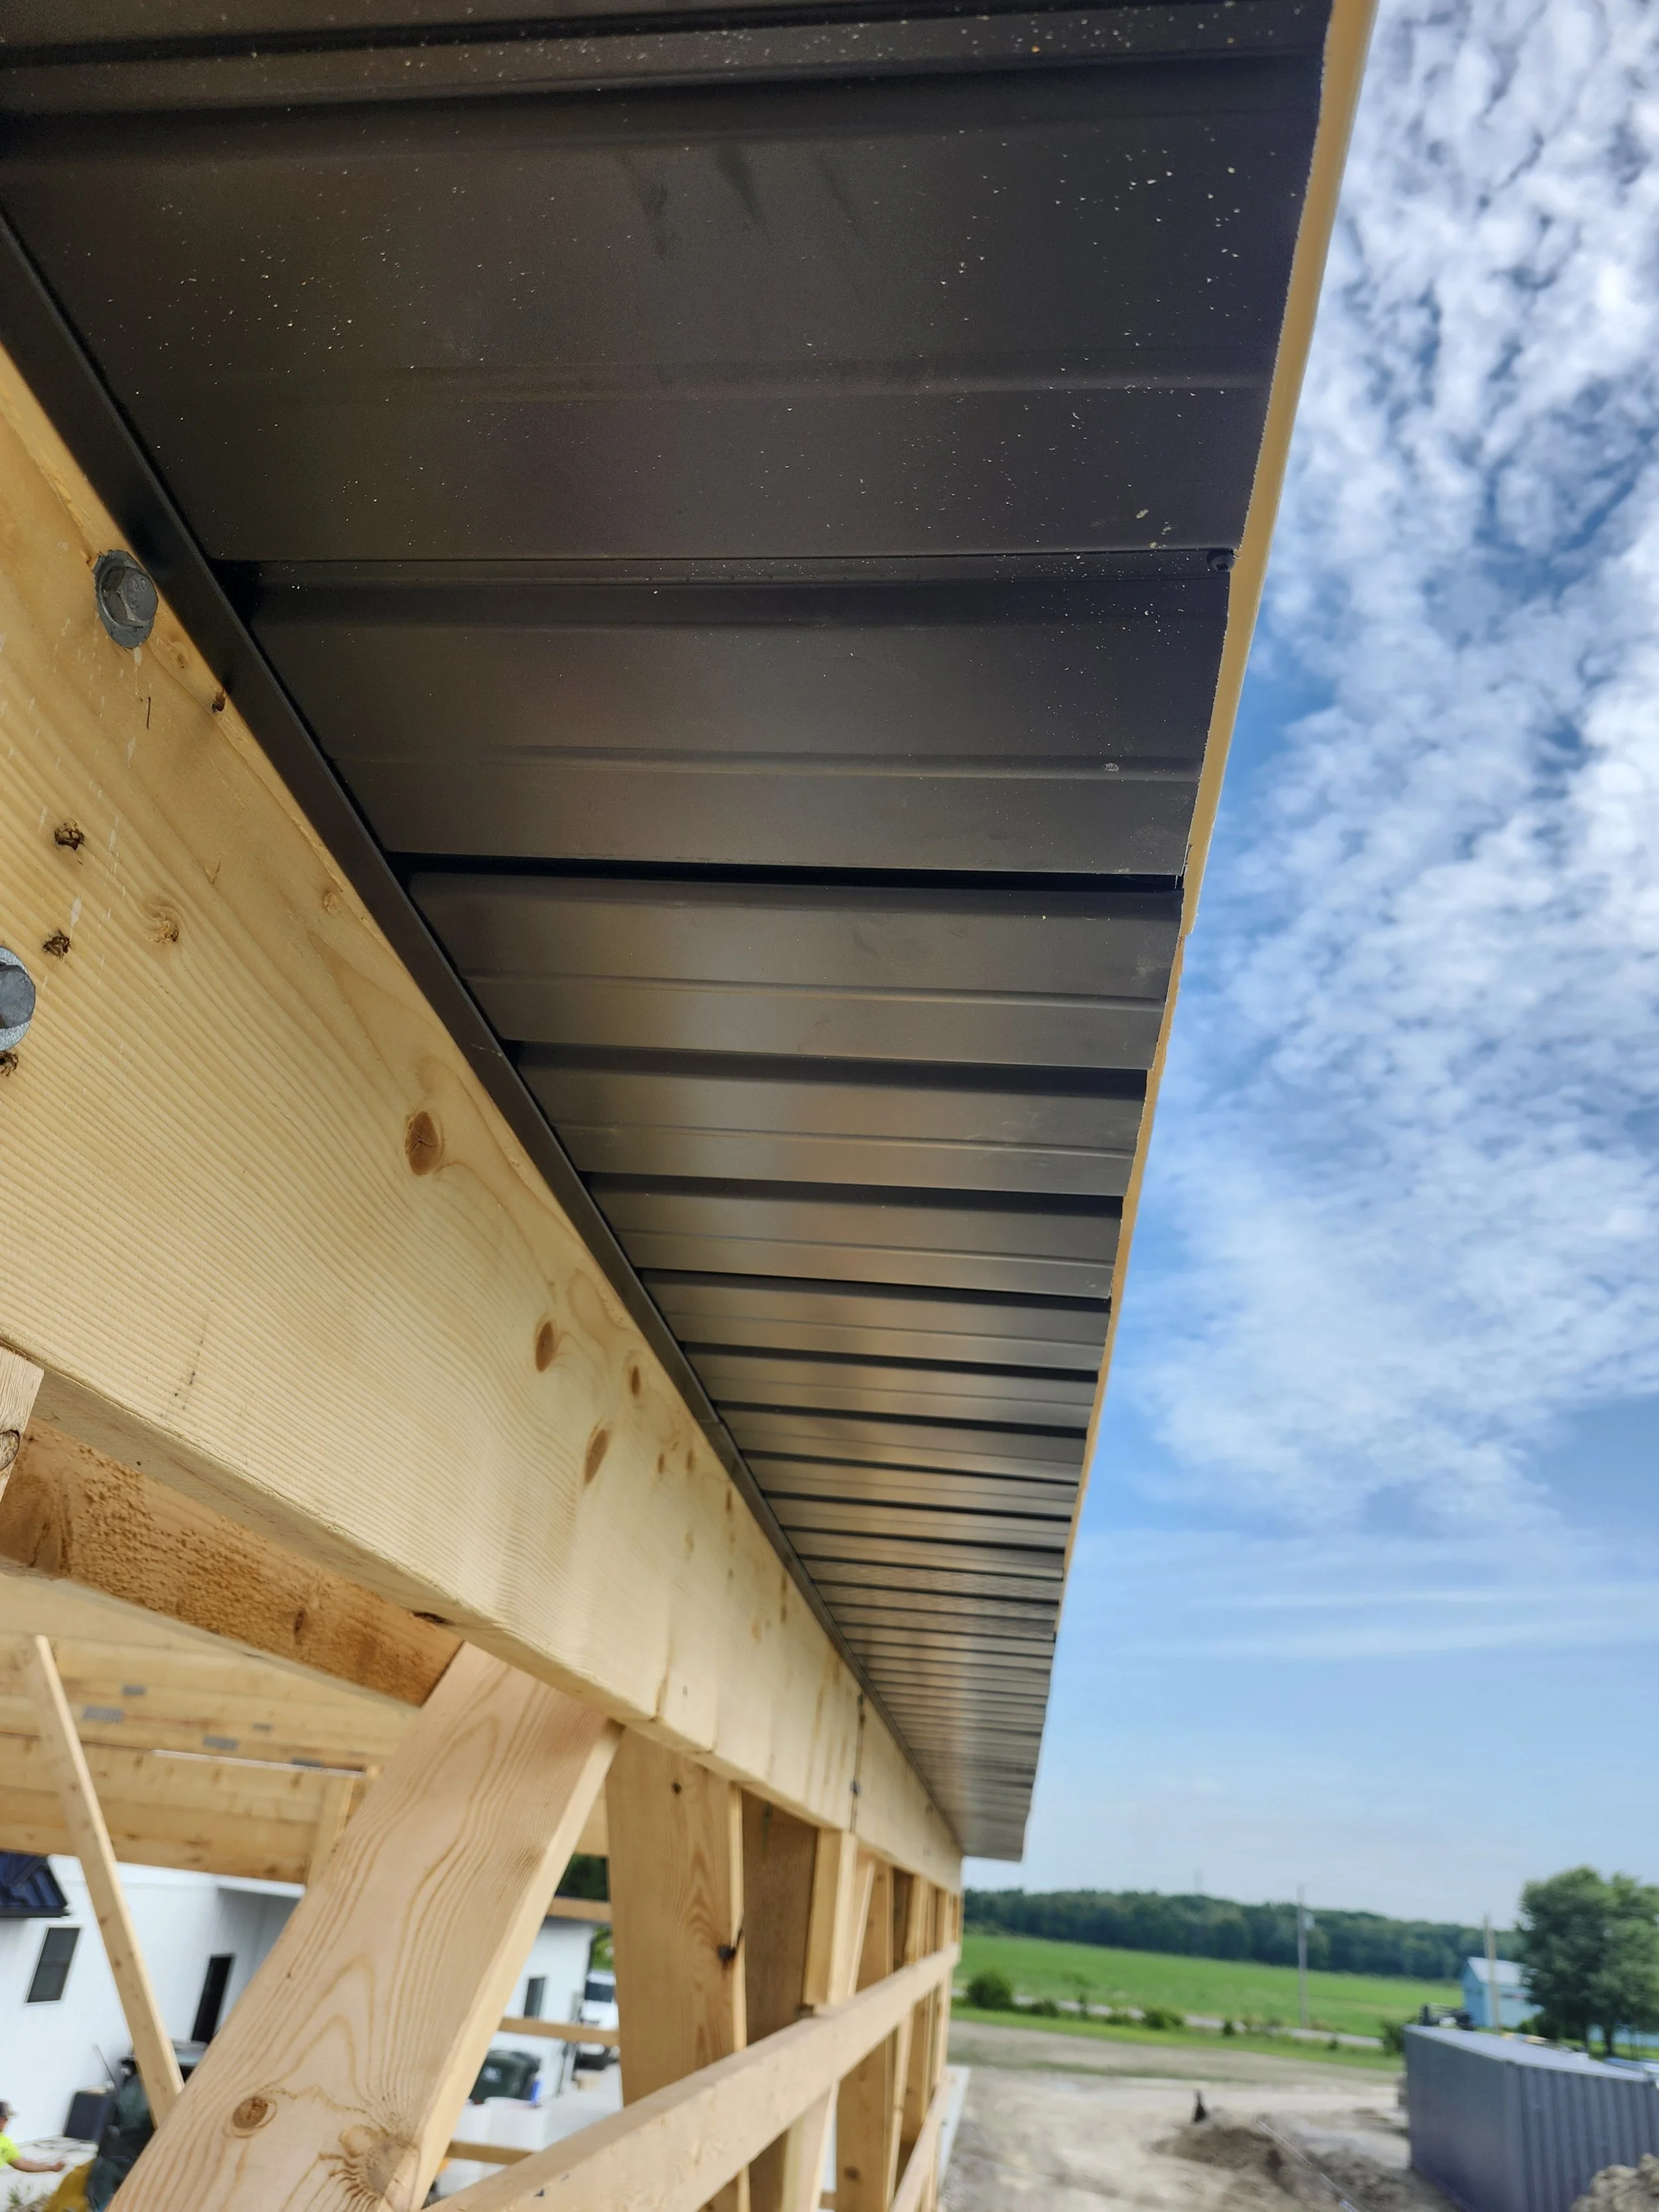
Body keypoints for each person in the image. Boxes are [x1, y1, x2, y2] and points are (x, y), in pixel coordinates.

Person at [0, 2100, 67, 2174]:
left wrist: (51, 2168)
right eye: (5, 2118)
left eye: (7, 2119)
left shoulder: (5, 2142)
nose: (7, 2122)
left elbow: (23, 2164)